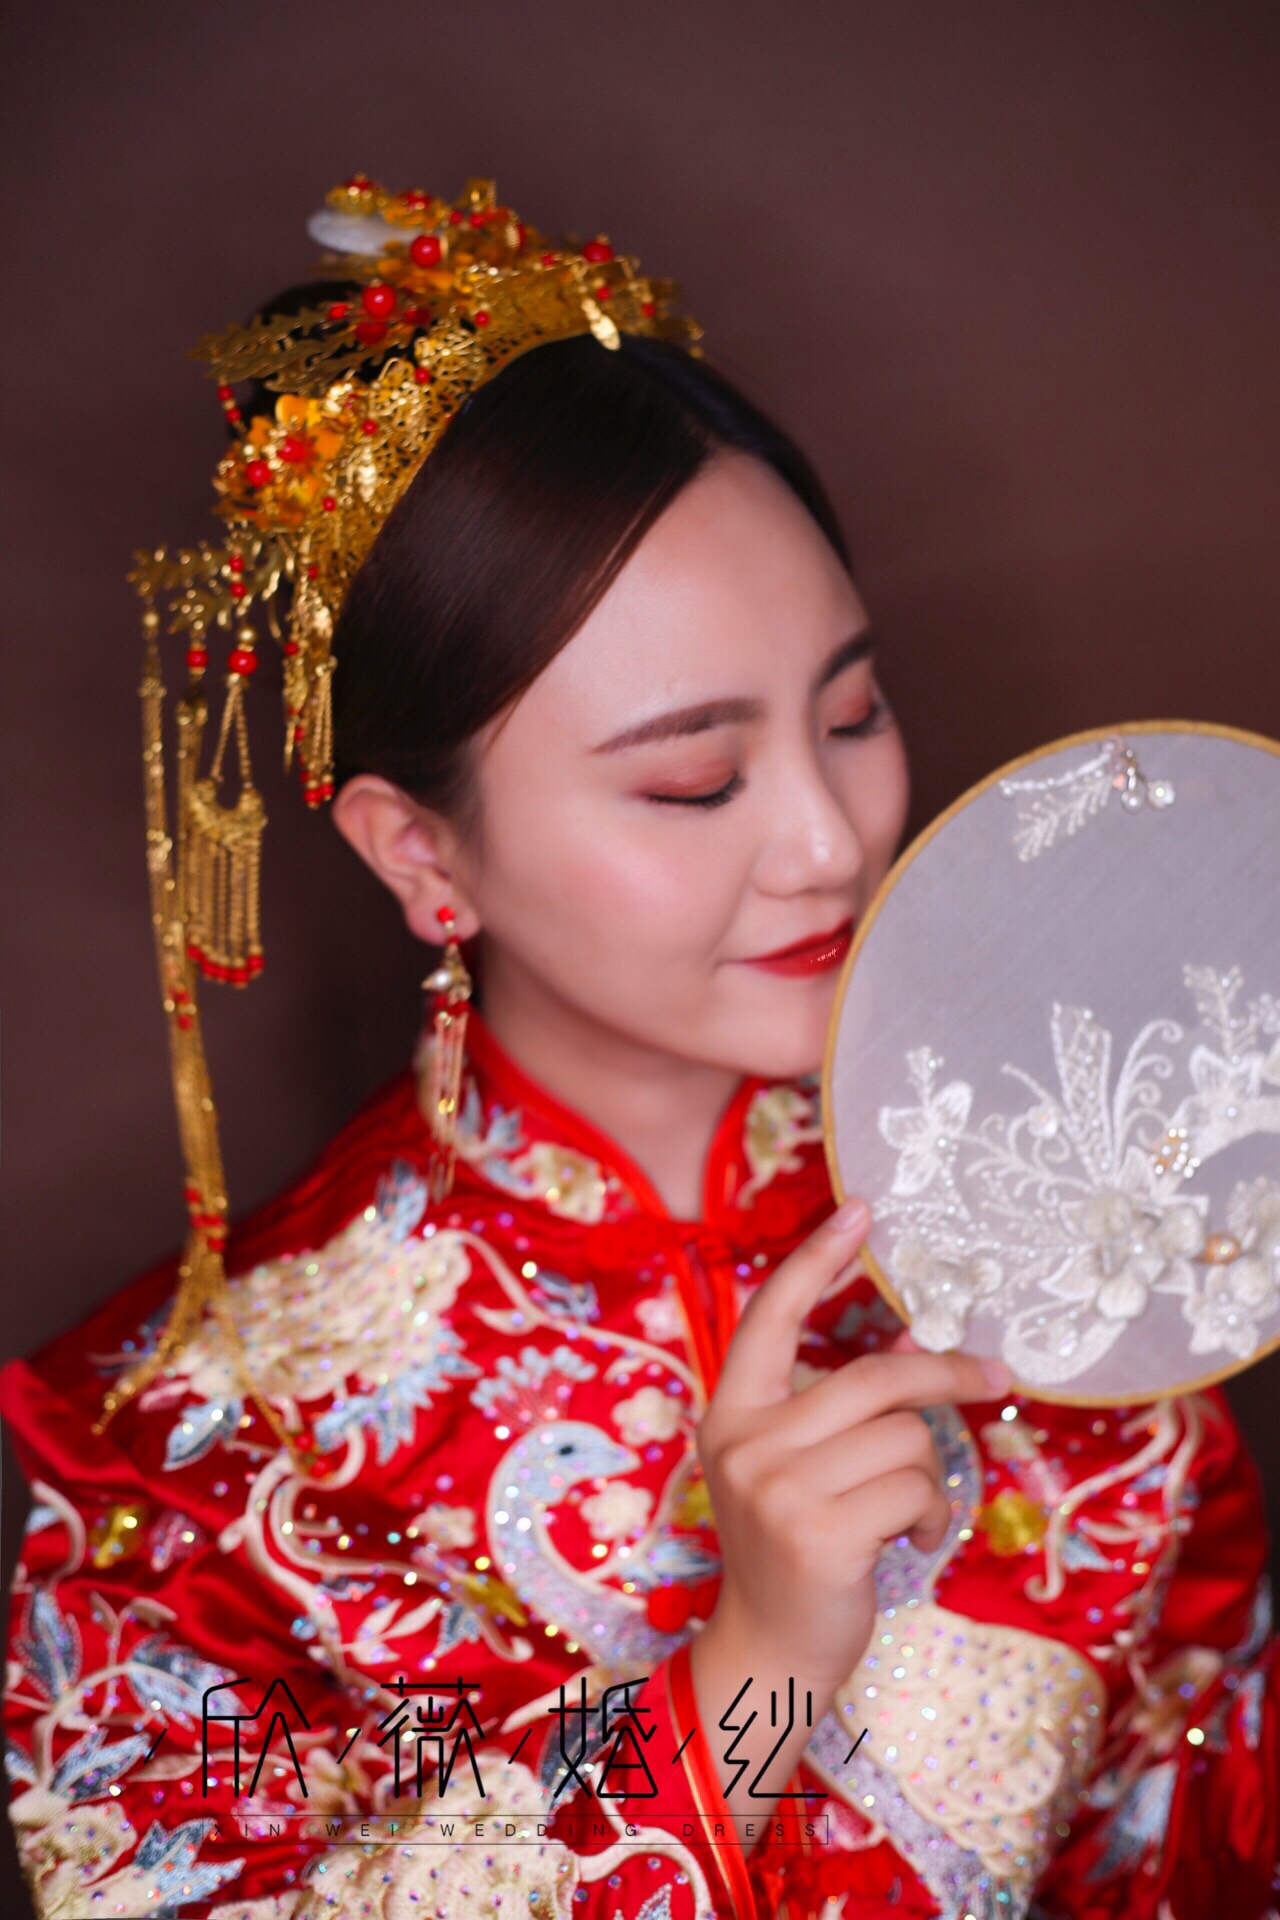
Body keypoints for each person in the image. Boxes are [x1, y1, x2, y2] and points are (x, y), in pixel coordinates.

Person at [1, 175, 1275, 1920]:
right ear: (420, 852)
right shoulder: (195, 1455)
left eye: (854, 713)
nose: (830, 838)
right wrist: (749, 1685)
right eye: (694, 780)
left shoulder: (1085, 1242)